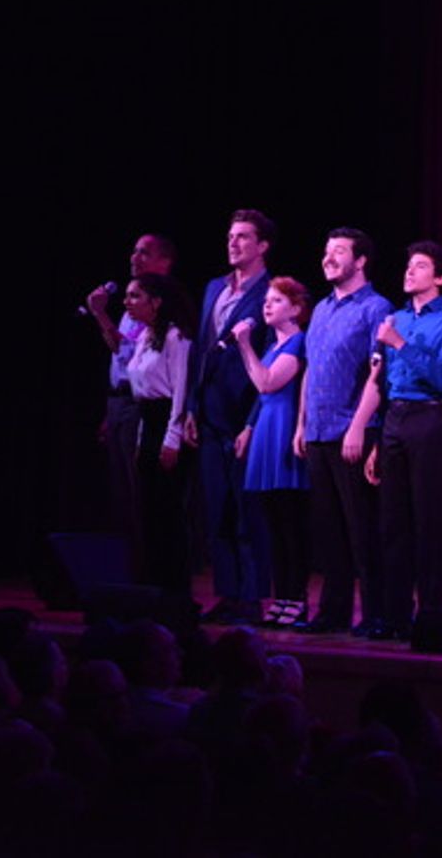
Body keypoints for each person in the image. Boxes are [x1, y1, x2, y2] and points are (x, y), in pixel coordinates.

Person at [356, 241, 442, 641]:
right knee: (392, 524)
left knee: (428, 522)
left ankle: (431, 618)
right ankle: (394, 617)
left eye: (420, 266)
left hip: (430, 418)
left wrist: (399, 344)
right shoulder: (398, 318)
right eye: (408, 265)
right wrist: (376, 439)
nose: (409, 272)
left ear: (439, 278)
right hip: (395, 419)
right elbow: (384, 382)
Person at [292, 227, 394, 635]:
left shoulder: (375, 307)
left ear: (361, 260)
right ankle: (333, 612)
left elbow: (378, 370)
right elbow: (311, 369)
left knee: (361, 528)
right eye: (326, 251)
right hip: (317, 430)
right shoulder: (320, 309)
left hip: (353, 431)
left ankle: (374, 614)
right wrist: (301, 423)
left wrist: (357, 428)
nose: (328, 258)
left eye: (338, 251)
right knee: (328, 529)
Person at [186, 209, 276, 624]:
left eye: (243, 237)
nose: (234, 243)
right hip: (210, 413)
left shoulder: (271, 293)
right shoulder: (213, 289)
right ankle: (227, 592)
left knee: (246, 511)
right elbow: (200, 351)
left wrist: (253, 420)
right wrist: (190, 407)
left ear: (262, 246)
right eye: (230, 236)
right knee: (217, 509)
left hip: (244, 413)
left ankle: (252, 597)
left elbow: (275, 360)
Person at [83, 233, 177, 547]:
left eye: (144, 253)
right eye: (134, 252)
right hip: (120, 401)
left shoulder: (163, 305)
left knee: (141, 489)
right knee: (120, 491)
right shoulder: (130, 305)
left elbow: (139, 353)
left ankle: (148, 567)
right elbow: (118, 351)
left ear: (164, 262)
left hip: (144, 402)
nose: (134, 258)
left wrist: (100, 314)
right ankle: (128, 567)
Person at [233, 277, 312, 628]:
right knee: (273, 526)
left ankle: (296, 597)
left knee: (290, 523)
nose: (267, 305)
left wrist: (244, 345)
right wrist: (249, 426)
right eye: (267, 300)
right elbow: (260, 391)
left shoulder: (297, 343)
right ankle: (281, 597)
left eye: (277, 300)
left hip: (283, 429)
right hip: (266, 425)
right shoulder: (272, 345)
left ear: (295, 308)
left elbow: (267, 382)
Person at [122, 272, 196, 596]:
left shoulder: (175, 337)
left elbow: (180, 389)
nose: (127, 302)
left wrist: (172, 438)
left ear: (156, 302)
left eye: (135, 296)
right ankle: (152, 582)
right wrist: (142, 438)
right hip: (148, 421)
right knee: (148, 508)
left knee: (168, 509)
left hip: (168, 421)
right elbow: (140, 390)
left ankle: (174, 586)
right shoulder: (144, 337)